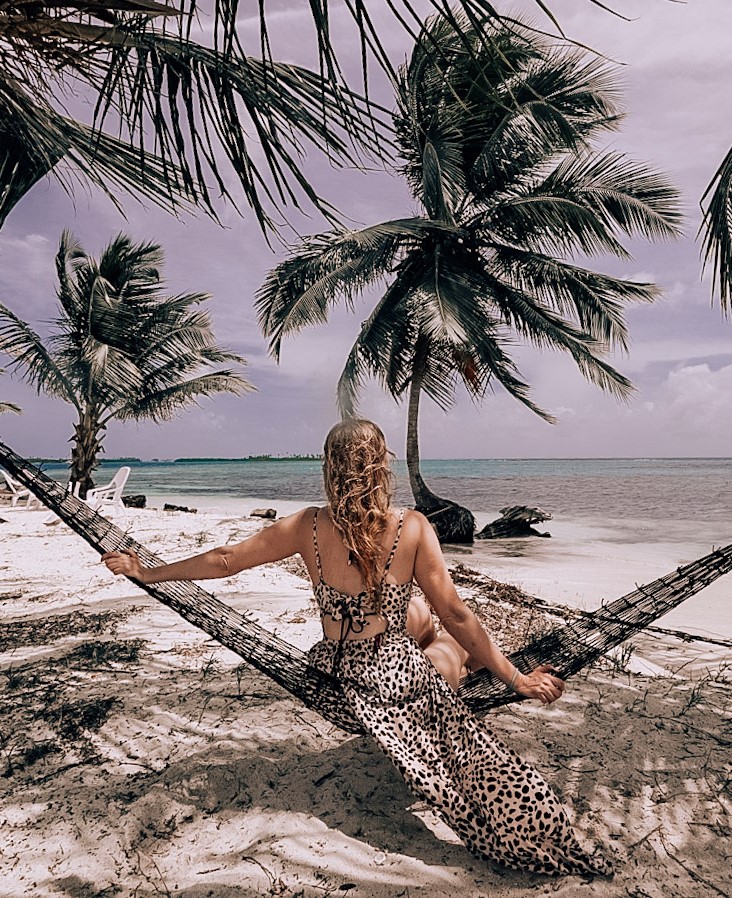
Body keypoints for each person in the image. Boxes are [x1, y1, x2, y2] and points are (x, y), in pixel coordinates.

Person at [102, 419, 611, 876]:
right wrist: (517, 679)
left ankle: (461, 653)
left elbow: (226, 560)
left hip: (337, 669)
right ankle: (475, 660)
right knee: (446, 643)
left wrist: (148, 571)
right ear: (381, 466)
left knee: (419, 622)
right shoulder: (411, 527)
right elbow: (458, 612)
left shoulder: (307, 525)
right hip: (394, 673)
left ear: (330, 468)